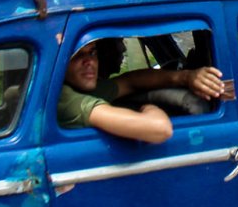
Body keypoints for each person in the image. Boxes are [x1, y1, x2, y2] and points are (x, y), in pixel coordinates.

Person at [59, 41, 225, 143]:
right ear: (60, 62)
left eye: (92, 52)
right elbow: (160, 129)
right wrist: (147, 108)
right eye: (76, 55)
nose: (89, 62)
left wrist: (186, 77)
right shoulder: (66, 100)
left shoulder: (80, 88)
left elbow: (130, 82)